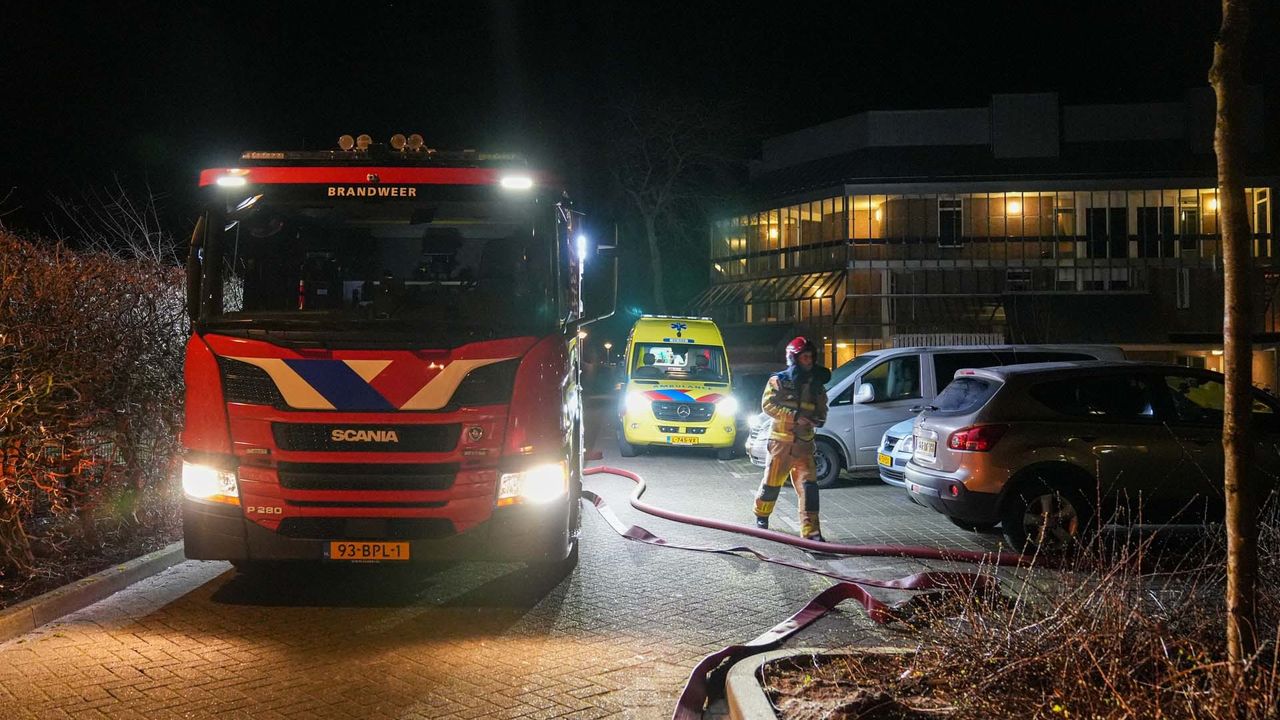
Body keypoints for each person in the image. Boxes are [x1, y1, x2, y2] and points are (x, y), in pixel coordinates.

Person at [753, 336, 830, 542]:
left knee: (809, 490)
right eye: (804, 357)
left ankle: (811, 533)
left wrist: (819, 420)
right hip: (781, 445)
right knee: (771, 485)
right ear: (794, 359)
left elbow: (823, 408)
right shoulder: (778, 381)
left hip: (805, 446)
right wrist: (794, 416)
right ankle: (761, 516)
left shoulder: (817, 386)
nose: (809, 361)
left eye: (811, 357)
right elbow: (767, 406)